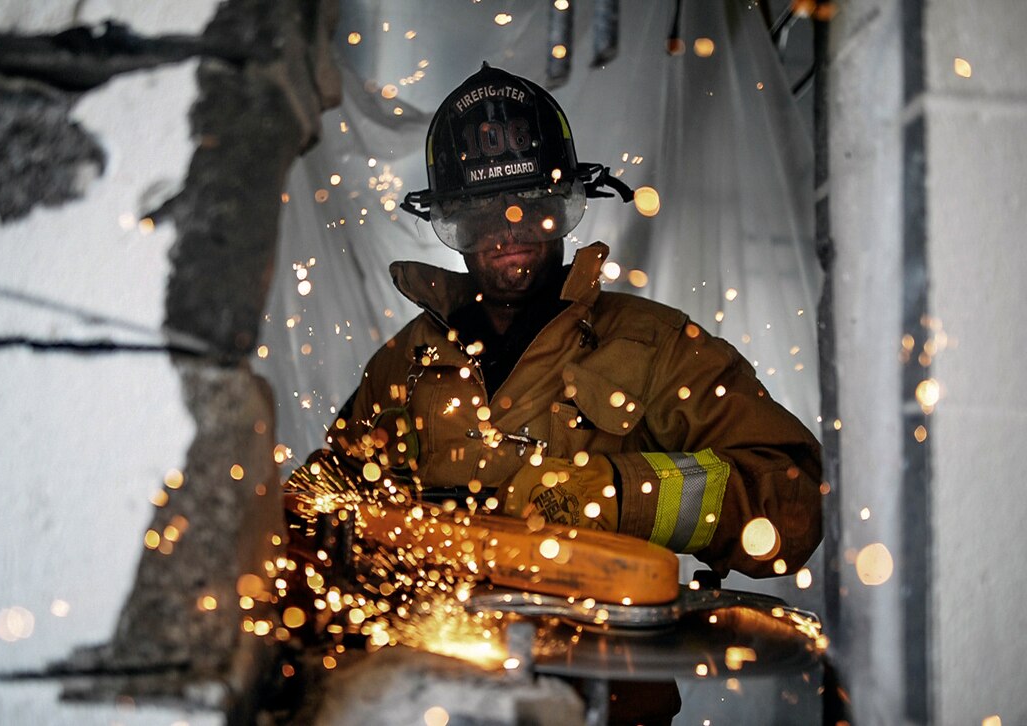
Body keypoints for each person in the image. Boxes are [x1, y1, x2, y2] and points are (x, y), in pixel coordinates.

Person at [319, 63, 822, 579]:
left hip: (591, 653)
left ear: (563, 209)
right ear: (452, 222)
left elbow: (792, 503)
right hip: (435, 645)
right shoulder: (406, 362)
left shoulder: (654, 347)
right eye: (484, 213)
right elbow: (320, 502)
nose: (508, 231)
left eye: (531, 205)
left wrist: (615, 494)